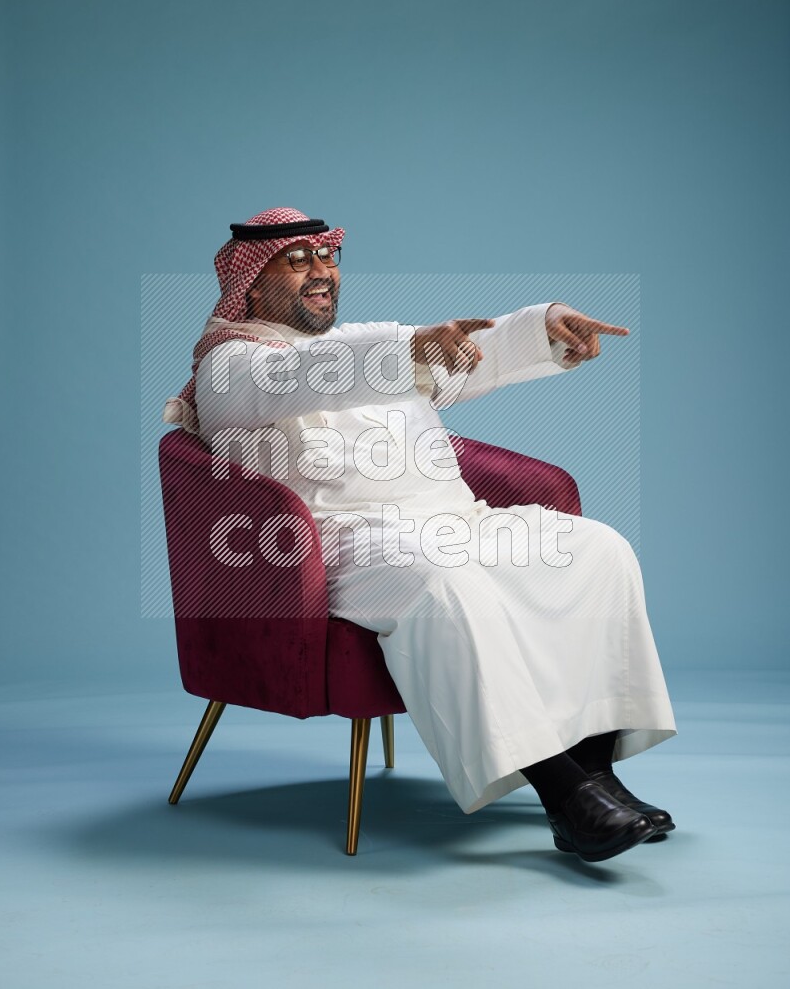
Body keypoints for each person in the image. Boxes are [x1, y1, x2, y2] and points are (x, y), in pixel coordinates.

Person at [163, 206, 678, 864]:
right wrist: (403, 348)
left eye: (327, 258)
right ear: (251, 283)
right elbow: (302, 377)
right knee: (448, 586)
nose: (322, 273)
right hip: (347, 546)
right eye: (298, 262)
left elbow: (461, 363)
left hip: (454, 521)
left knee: (597, 551)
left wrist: (540, 327)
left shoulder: (356, 348)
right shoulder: (231, 366)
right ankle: (565, 799)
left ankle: (599, 779)